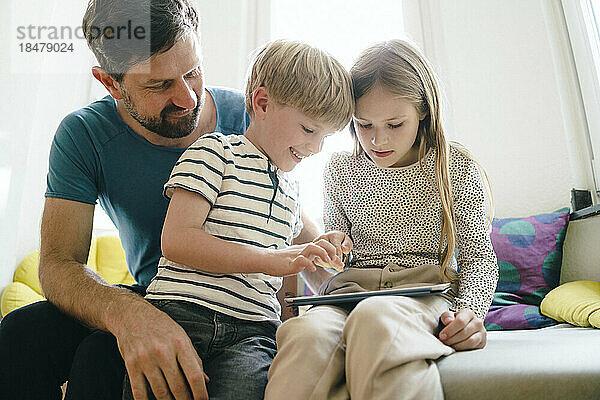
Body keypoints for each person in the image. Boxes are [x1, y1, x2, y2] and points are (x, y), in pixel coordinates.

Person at [0, 1, 332, 399]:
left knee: (100, 357)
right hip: (161, 295)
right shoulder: (84, 135)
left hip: (242, 315)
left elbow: (300, 239)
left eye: (193, 72)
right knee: (21, 334)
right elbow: (57, 265)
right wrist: (126, 313)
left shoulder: (256, 119)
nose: (188, 98)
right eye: (159, 85)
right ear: (111, 83)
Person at [264, 39, 499, 400]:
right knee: (304, 335)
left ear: (422, 111)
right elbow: (336, 251)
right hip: (348, 294)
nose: (377, 139)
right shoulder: (341, 170)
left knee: (375, 320)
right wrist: (332, 246)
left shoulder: (454, 167)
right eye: (363, 125)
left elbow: (479, 258)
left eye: (394, 124)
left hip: (425, 296)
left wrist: (469, 313)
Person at [121, 38, 354, 400]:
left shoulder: (292, 192)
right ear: (261, 104)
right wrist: (268, 259)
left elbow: (287, 278)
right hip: (183, 315)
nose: (315, 148)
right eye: (309, 130)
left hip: (253, 333)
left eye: (324, 137)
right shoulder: (215, 152)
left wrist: (319, 249)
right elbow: (178, 240)